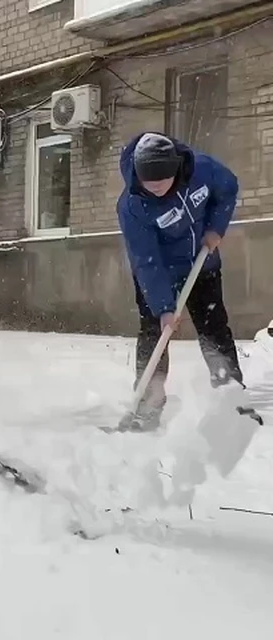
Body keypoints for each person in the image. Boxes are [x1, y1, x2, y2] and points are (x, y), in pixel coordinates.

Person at [116, 131, 260, 431]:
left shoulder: (202, 169)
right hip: (159, 273)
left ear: (175, 169)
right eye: (148, 184)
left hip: (202, 263)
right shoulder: (132, 206)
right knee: (155, 333)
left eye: (161, 184)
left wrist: (216, 228)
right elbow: (146, 260)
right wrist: (164, 307)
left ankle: (232, 400)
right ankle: (147, 405)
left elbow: (228, 189)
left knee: (214, 329)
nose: (154, 190)